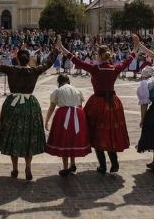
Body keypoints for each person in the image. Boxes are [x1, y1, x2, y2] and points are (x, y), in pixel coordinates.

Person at [0, 37, 59, 181]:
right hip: (30, 104)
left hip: (13, 105)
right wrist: (56, 49)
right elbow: (48, 63)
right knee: (29, 136)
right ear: (29, 59)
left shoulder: (11, 69)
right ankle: (28, 166)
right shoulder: (34, 71)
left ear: (17, 58)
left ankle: (15, 168)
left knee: (12, 135)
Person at [58, 37, 135, 174]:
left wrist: (62, 48)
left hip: (98, 103)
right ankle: (115, 163)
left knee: (97, 132)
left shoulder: (95, 69)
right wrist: (136, 48)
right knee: (110, 132)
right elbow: (128, 60)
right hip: (113, 103)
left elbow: (76, 60)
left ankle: (102, 166)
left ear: (98, 56)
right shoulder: (114, 68)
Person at [44, 74, 90, 176]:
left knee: (64, 140)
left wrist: (46, 120)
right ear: (68, 81)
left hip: (63, 115)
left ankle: (65, 167)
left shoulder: (58, 91)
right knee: (73, 139)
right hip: (78, 114)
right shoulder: (77, 90)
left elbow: (52, 107)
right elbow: (80, 105)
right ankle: (72, 163)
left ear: (59, 82)